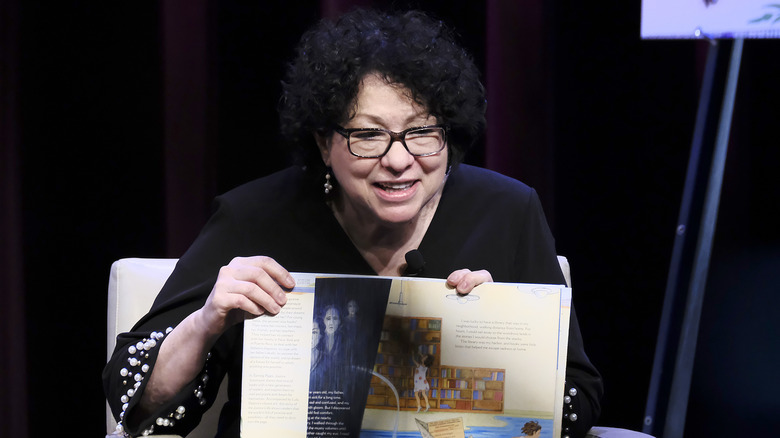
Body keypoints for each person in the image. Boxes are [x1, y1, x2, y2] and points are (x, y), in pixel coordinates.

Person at [103, 8, 602, 438]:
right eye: (368, 135)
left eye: (422, 131)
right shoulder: (254, 217)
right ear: (324, 142)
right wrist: (207, 321)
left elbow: (576, 401)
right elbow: (134, 398)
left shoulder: (507, 211)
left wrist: (498, 339)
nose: (399, 159)